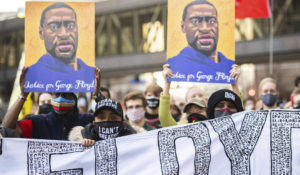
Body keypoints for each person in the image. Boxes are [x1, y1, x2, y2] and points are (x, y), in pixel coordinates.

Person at [2, 66, 101, 140]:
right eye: (57, 95)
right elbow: (7, 127)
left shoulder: (88, 120)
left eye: (66, 95)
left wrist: (96, 96)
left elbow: (109, 125)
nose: (60, 99)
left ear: (74, 98)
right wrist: (23, 96)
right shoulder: (38, 122)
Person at [24, 2, 94, 92]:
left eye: (70, 26)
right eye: (54, 27)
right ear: (41, 33)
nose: (63, 34)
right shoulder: (33, 74)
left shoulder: (91, 75)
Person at [167, 0, 234, 83]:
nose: (205, 28)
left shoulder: (230, 68)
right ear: (183, 26)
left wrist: (236, 85)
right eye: (195, 21)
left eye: (211, 21)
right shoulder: (173, 66)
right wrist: (167, 83)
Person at [68, 98, 136, 146]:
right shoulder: (83, 137)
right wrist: (80, 146)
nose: (106, 120)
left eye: (113, 118)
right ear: (94, 122)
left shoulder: (134, 142)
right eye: (101, 117)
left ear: (123, 123)